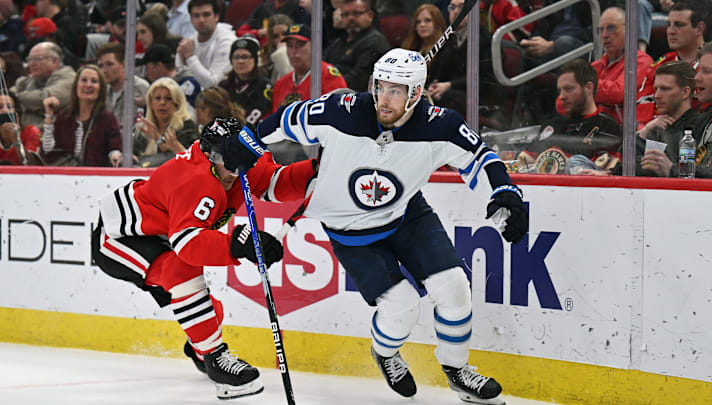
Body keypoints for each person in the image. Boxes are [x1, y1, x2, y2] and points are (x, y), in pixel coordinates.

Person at [221, 48, 528, 404]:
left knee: (454, 287)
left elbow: (481, 157)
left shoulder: (440, 125)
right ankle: (385, 354)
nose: (384, 98)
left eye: (396, 91)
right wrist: (250, 140)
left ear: (415, 94)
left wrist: (505, 192)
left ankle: (457, 371)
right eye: (380, 87)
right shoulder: (343, 112)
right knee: (402, 307)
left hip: (406, 216)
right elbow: (290, 117)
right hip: (351, 232)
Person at [90, 117, 316, 400]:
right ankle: (215, 359)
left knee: (209, 312)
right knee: (181, 271)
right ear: (209, 155)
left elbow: (274, 181)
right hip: (118, 239)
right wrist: (240, 244)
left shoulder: (237, 160)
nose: (236, 169)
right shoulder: (195, 178)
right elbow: (188, 245)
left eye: (243, 156)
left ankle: (200, 349)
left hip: (161, 233)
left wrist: (318, 169)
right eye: (227, 159)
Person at [517, 59, 621, 175]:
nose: (561, 96)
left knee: (574, 162)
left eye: (568, 89)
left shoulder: (607, 126)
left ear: (588, 88)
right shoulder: (552, 126)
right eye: (559, 90)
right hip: (543, 190)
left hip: (581, 191)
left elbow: (608, 173)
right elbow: (523, 162)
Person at [637, 1, 707, 127]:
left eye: (679, 25)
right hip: (658, 135)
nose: (671, 31)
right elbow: (642, 105)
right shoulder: (661, 64)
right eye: (668, 25)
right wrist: (646, 128)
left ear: (699, 29)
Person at [40, 64, 122, 167]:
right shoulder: (65, 116)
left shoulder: (107, 117)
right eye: (84, 80)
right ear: (76, 85)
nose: (88, 85)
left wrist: (115, 154)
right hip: (64, 176)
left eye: (94, 81)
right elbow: (49, 152)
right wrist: (49, 116)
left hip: (96, 177)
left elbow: (115, 147)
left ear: (101, 88)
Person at [633, 61, 698, 177]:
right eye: (656, 89)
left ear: (685, 92)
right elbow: (633, 167)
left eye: (665, 89)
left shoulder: (700, 127)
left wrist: (671, 169)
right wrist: (643, 133)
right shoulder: (656, 127)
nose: (657, 95)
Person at [272, 24, 348, 112]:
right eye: (290, 46)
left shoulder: (329, 76)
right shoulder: (281, 84)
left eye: (300, 45)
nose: (293, 52)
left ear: (314, 46)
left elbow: (340, 114)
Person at [324, 0, 390, 92]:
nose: (351, 18)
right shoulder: (339, 42)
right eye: (346, 14)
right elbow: (323, 66)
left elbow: (359, 79)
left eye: (356, 13)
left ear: (370, 15)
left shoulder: (375, 41)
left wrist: (326, 85)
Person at [134, 77, 198, 167]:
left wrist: (159, 139)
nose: (162, 103)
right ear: (151, 103)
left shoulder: (187, 127)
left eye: (168, 98)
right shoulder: (142, 129)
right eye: (157, 98)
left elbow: (195, 162)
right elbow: (133, 155)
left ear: (177, 103)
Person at [11, 41, 75, 128]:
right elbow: (8, 96)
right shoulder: (26, 80)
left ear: (54, 61)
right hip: (23, 132)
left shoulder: (70, 78)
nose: (31, 64)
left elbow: (43, 98)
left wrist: (16, 98)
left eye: (37, 59)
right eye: (29, 59)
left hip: (50, 134)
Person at [176, 0, 237, 89]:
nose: (201, 20)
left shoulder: (227, 41)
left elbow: (214, 85)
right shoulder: (189, 42)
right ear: (191, 19)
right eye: (196, 16)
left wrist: (190, 57)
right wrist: (182, 61)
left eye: (206, 15)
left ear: (216, 17)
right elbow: (180, 80)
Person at [219, 35, 273, 125]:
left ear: (255, 60)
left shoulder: (264, 85)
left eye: (245, 57)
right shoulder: (224, 86)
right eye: (236, 57)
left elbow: (259, 113)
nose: (240, 61)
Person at [97, 42, 150, 133]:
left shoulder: (140, 88)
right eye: (101, 65)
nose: (104, 70)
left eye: (110, 64)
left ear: (123, 64)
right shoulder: (103, 90)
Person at [685, 41, 712, 178]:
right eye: (698, 71)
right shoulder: (700, 123)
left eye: (706, 71)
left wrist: (672, 169)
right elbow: (684, 164)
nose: (697, 78)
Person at [138, 43, 202, 109]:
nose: (146, 73)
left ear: (158, 66)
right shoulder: (156, 87)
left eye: (147, 68)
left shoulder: (189, 84)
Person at [0, 92, 41, 165]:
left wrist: (16, 141)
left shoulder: (30, 132)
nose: (5, 111)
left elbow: (33, 165)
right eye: (0, 107)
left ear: (17, 112)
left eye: (9, 107)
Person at [259, 13, 293, 84]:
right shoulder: (264, 55)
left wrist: (281, 52)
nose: (281, 38)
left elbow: (289, 79)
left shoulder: (301, 55)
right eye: (276, 36)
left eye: (285, 33)